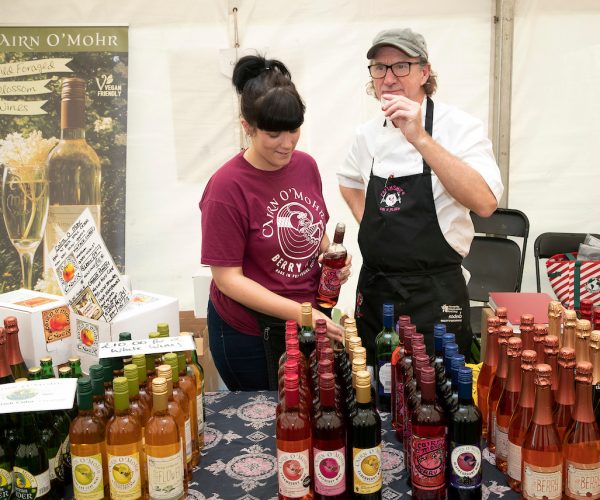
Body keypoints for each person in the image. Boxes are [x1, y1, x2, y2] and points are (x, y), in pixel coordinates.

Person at [337, 28, 504, 364]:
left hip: (435, 296)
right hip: (375, 293)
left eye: (401, 66)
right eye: (379, 68)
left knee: (436, 397)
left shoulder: (459, 127)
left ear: (424, 72)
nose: (389, 77)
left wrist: (420, 138)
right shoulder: (366, 135)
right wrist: (370, 222)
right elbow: (348, 180)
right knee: (375, 394)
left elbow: (485, 202)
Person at [200, 55, 351, 391]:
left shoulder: (305, 166)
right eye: (273, 133)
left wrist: (329, 255)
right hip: (249, 333)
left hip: (307, 322)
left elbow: (315, 229)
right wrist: (303, 314)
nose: (287, 143)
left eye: (294, 129)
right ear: (247, 127)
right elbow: (227, 280)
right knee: (266, 424)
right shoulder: (226, 188)